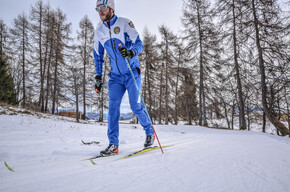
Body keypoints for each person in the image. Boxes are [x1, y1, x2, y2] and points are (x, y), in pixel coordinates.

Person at [94, 0, 155, 156]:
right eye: (97, 8)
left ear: (111, 8)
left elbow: (139, 43)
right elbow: (98, 56)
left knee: (135, 106)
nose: (100, 11)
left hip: (131, 73)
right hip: (115, 77)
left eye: (103, 7)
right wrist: (98, 77)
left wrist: (131, 52)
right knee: (113, 109)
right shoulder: (99, 31)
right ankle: (113, 144)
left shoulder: (125, 23)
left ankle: (149, 132)